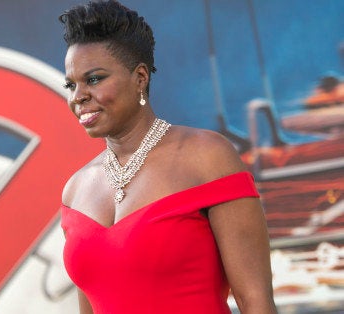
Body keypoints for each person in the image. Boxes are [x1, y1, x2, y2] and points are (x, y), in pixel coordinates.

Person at [58, 1, 277, 313]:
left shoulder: (207, 157)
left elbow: (255, 301)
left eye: (94, 79)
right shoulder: (75, 191)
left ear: (140, 77)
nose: (78, 95)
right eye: (71, 84)